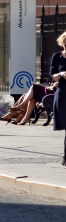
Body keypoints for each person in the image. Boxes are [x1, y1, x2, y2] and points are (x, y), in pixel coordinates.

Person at [46, 32, 66, 168]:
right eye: (65, 44)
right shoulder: (57, 56)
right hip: (63, 94)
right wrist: (60, 74)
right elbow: (51, 75)